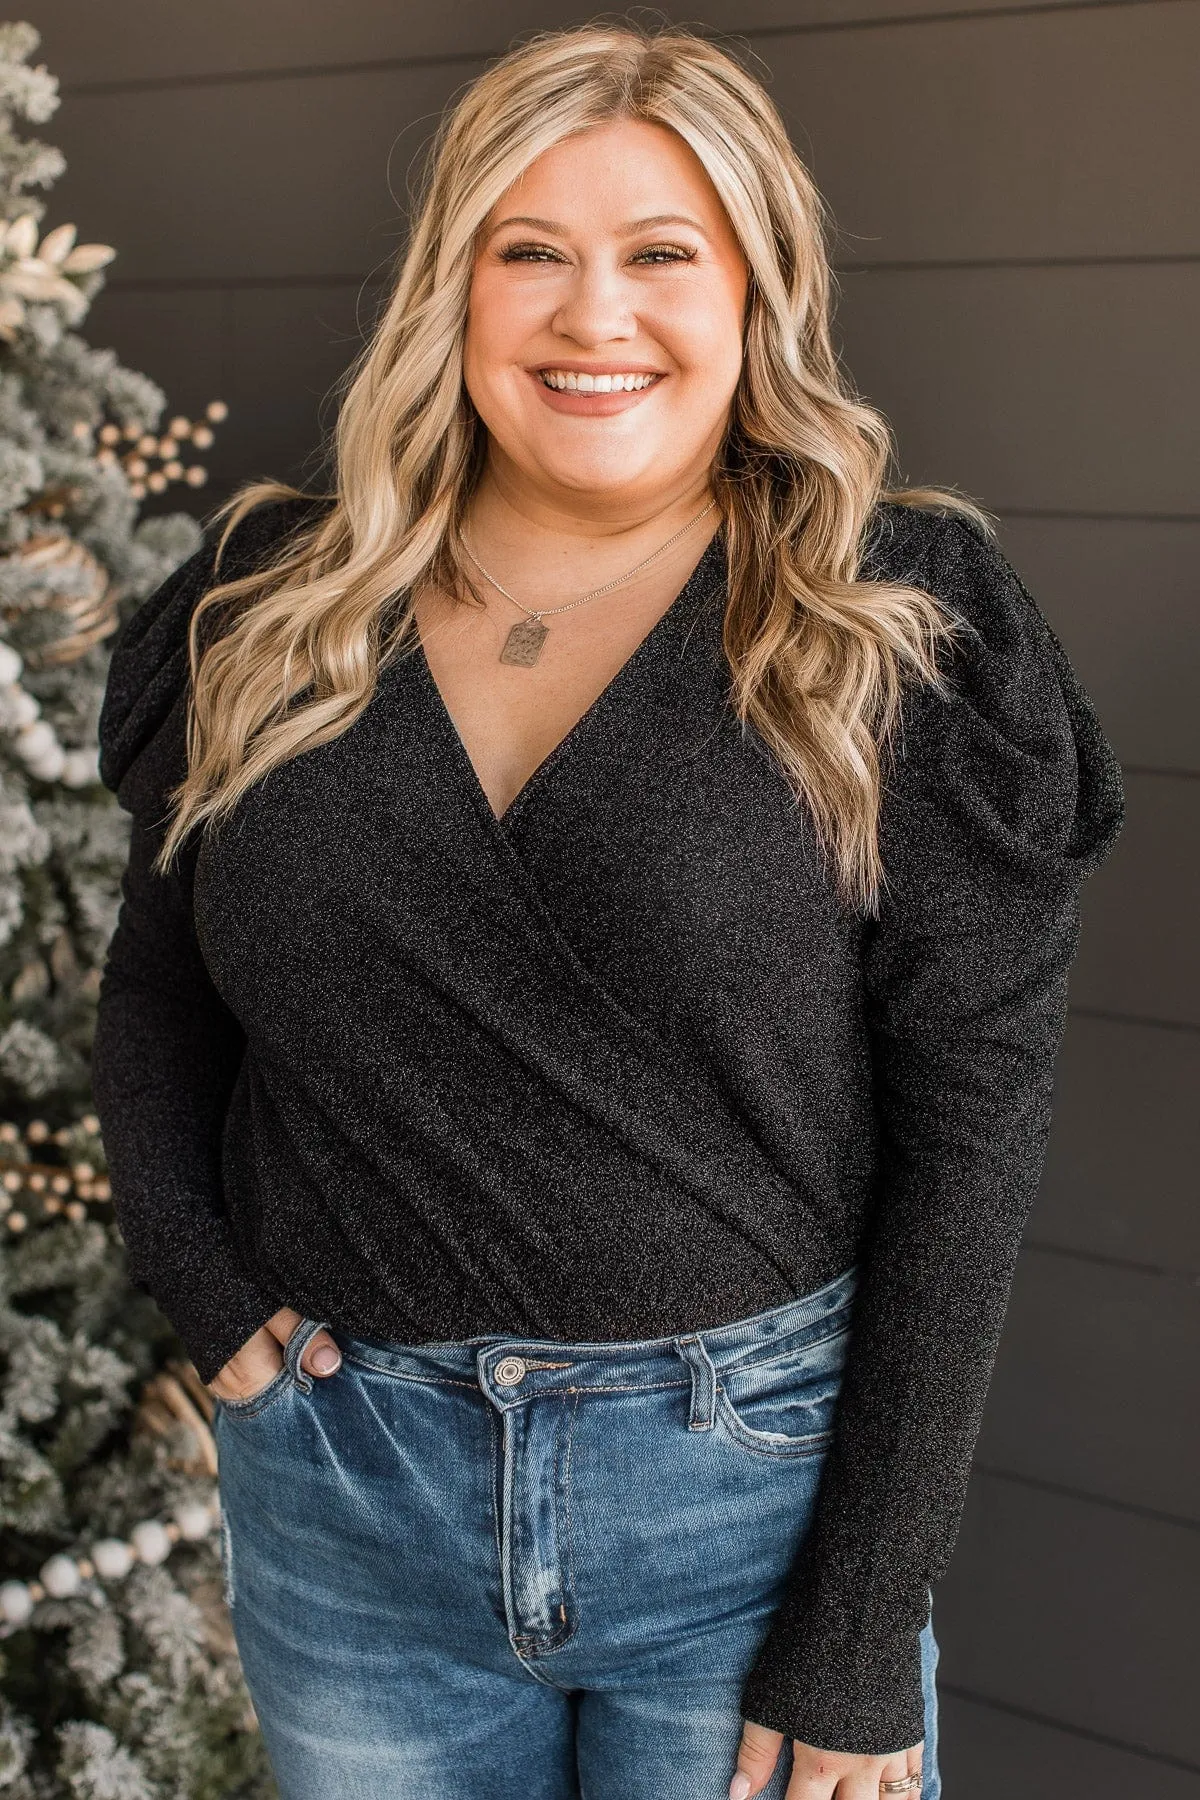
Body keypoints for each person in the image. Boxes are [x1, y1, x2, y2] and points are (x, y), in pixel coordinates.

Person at [90, 23, 1123, 1800]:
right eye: (531, 252)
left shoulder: (896, 623)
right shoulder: (269, 600)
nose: (594, 317)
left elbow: (974, 1137)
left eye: (661, 253)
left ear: (755, 288)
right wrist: (204, 1281)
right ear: (455, 287)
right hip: (350, 1511)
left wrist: (861, 1628)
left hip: (749, 1515)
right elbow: (162, 998)